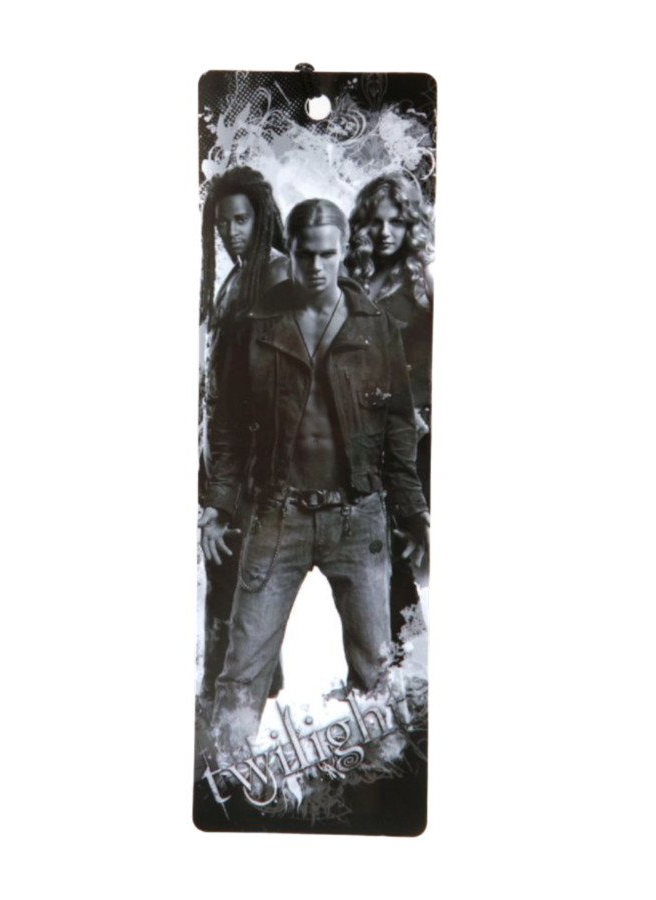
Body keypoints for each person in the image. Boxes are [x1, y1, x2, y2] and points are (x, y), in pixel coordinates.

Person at [200, 199, 431, 755]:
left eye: (328, 255)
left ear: (343, 251)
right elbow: (226, 425)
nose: (317, 267)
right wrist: (217, 505)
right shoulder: (253, 327)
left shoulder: (377, 327)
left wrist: (414, 510)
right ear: (292, 251)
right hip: (277, 512)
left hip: (358, 515)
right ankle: (225, 777)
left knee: (377, 672)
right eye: (306, 255)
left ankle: (383, 781)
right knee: (241, 669)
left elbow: (398, 429)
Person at [197, 167, 289, 703]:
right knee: (226, 587)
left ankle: (236, 707)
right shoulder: (235, 279)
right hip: (225, 460)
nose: (232, 232)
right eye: (222, 223)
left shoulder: (278, 276)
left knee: (244, 594)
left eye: (241, 220)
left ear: (262, 218)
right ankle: (228, 706)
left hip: (256, 469)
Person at [347, 173, 435, 641]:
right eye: (376, 222)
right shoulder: (348, 278)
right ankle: (391, 658)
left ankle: (407, 655)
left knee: (407, 547)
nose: (385, 233)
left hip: (416, 435)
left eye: (397, 222)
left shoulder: (424, 281)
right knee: (373, 550)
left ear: (410, 225)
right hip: (362, 433)